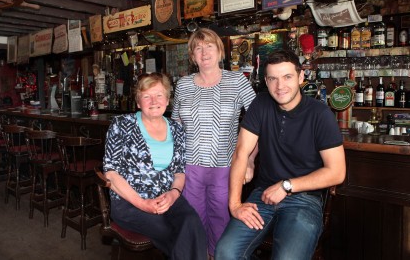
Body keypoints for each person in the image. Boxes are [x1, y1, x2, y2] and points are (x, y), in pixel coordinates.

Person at [215, 50, 346, 260]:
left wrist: (287, 185)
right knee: (226, 252)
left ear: (301, 77)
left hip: (303, 199)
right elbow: (241, 152)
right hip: (263, 195)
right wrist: (235, 205)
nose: (280, 86)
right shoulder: (260, 104)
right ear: (266, 81)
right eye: (273, 79)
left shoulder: (320, 114)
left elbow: (337, 172)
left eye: (287, 77)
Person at [102, 72, 207, 260]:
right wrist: (143, 203)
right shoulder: (121, 125)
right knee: (168, 230)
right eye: (146, 96)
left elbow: (179, 172)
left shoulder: (177, 130)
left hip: (167, 197)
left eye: (159, 95)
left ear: (167, 100)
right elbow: (111, 174)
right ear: (138, 102)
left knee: (192, 222)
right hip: (129, 202)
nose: (153, 101)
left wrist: (174, 194)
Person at [171, 28, 256, 258]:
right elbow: (175, 125)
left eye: (209, 45)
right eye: (198, 47)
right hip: (190, 167)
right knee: (194, 222)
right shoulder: (183, 85)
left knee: (222, 221)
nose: (204, 51)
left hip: (226, 166)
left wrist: (249, 159)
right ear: (192, 56)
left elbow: (258, 123)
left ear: (220, 51)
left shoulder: (237, 80)